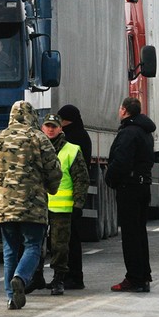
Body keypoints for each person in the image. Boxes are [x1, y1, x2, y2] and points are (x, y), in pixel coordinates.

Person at [0, 100, 61, 310]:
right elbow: (54, 170)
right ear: (33, 117)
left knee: (9, 250)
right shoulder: (39, 138)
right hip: (33, 205)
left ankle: (11, 297)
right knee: (33, 246)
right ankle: (21, 278)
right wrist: (51, 188)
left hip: (4, 206)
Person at [105, 97, 156, 293]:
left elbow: (121, 161)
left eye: (120, 108)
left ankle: (134, 278)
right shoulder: (145, 131)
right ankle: (143, 276)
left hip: (130, 187)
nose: (119, 111)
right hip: (143, 186)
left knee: (130, 235)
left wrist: (110, 178)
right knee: (140, 232)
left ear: (125, 111)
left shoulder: (128, 133)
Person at [36, 113, 89, 296]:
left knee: (60, 246)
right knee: (35, 244)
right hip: (38, 206)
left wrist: (78, 204)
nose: (50, 129)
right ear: (42, 128)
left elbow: (81, 179)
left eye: (54, 126)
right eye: (48, 126)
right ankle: (36, 277)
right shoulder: (35, 148)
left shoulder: (72, 150)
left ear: (61, 129)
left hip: (62, 208)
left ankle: (59, 279)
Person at [57, 104, 92, 290]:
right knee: (69, 239)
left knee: (70, 240)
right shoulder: (82, 135)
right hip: (72, 196)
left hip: (69, 196)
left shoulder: (72, 139)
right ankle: (71, 276)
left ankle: (74, 276)